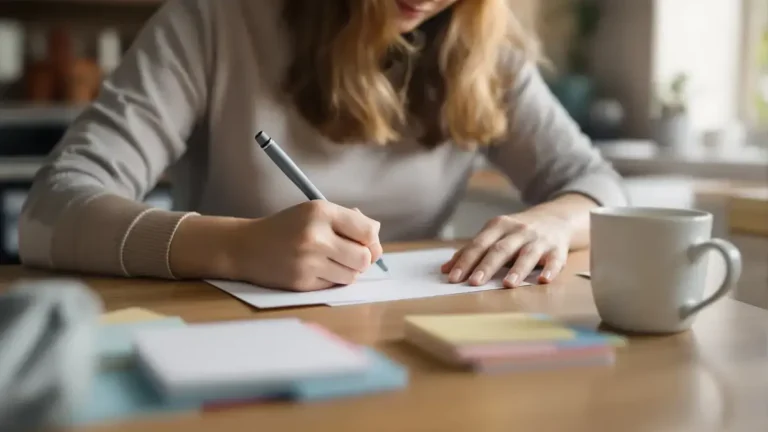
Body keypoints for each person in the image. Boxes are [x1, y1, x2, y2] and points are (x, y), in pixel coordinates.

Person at [19, 0, 627, 292]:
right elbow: (48, 213)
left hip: (407, 339)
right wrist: (234, 247)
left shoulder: (485, 54)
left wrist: (553, 221)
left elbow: (603, 189)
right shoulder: (213, 22)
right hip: (228, 345)